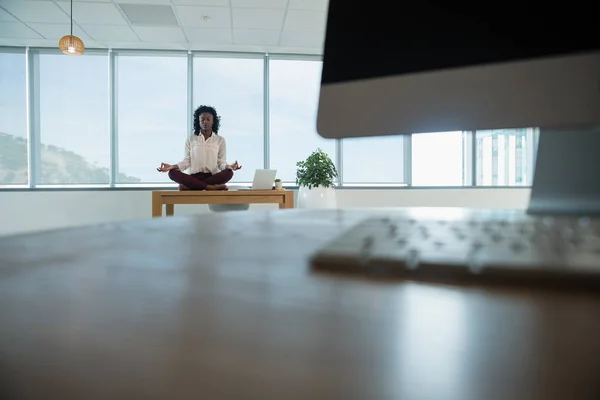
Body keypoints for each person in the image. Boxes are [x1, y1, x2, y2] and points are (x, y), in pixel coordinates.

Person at [157, 105, 242, 190]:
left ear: (213, 121)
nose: (205, 122)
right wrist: (172, 166)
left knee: (229, 173)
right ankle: (209, 187)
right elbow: (187, 161)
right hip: (194, 177)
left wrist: (229, 166)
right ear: (198, 121)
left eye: (208, 119)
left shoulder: (220, 140)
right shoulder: (191, 139)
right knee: (172, 173)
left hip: (212, 177)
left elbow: (221, 162)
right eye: (202, 119)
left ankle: (191, 186)